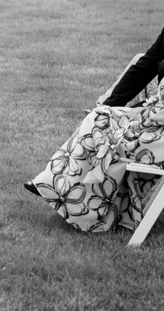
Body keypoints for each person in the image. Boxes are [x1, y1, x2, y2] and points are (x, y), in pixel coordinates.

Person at [25, 28, 164, 234]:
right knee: (101, 118)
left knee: (102, 125)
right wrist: (110, 106)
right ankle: (58, 187)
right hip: (155, 121)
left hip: (158, 135)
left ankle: (68, 195)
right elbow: (149, 63)